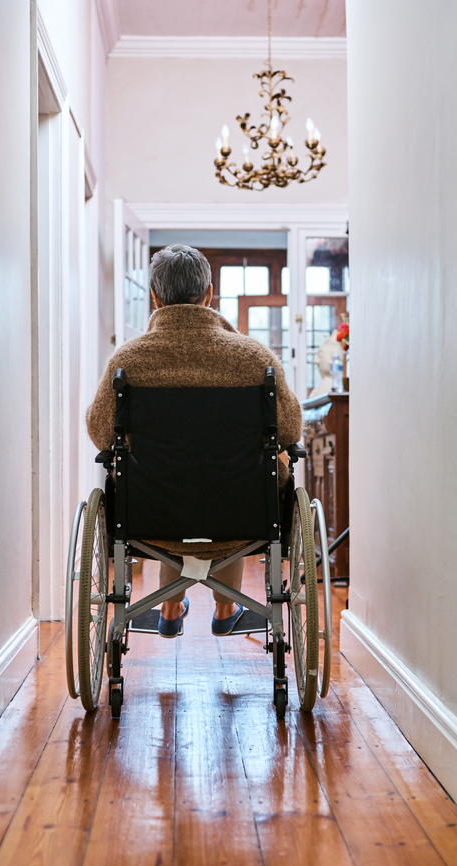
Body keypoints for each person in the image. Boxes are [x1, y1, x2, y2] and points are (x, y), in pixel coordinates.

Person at [85, 244, 303, 637]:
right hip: (241, 510)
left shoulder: (128, 362)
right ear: (209, 294)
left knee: (164, 482)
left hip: (153, 509)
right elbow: (289, 431)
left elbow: (101, 432)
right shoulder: (255, 359)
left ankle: (169, 606)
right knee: (241, 479)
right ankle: (225, 608)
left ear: (154, 296)